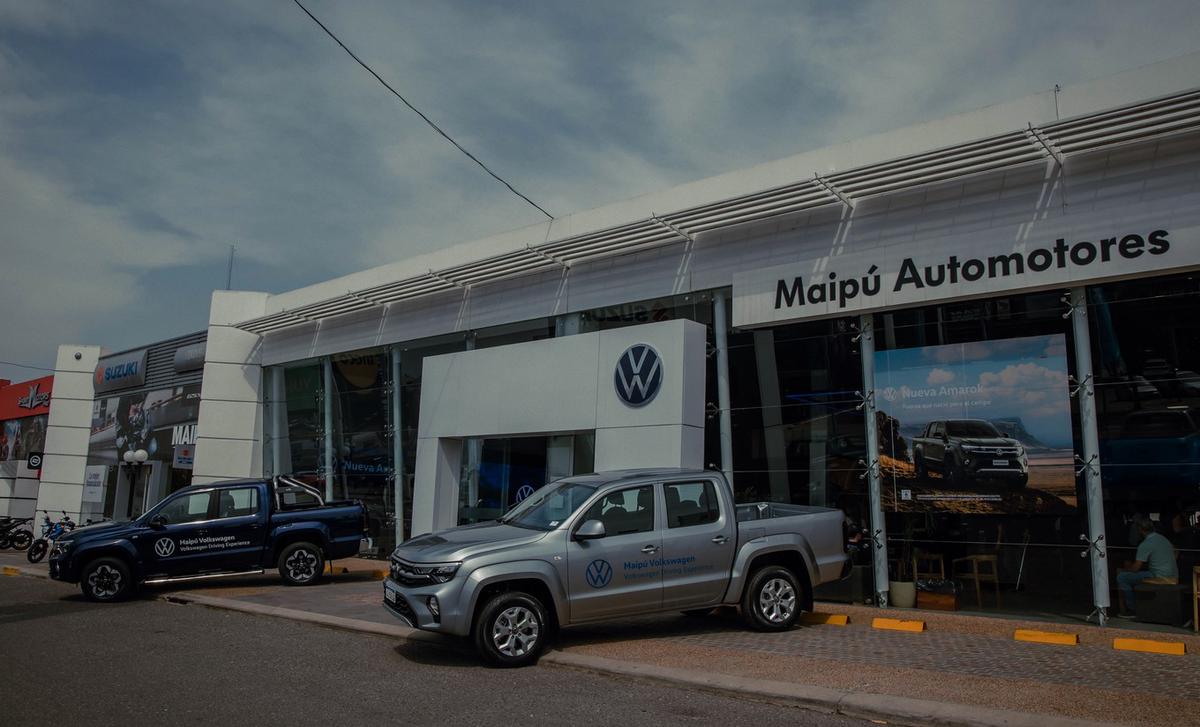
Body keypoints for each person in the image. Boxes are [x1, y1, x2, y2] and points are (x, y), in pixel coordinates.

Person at [1115, 513, 1179, 618]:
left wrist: (1125, 570)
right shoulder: (1163, 539)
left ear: (1140, 529)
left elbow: (1136, 568)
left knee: (1122, 577)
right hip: (1173, 575)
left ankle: (1132, 609)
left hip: (1158, 576)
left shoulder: (1145, 544)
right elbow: (1176, 551)